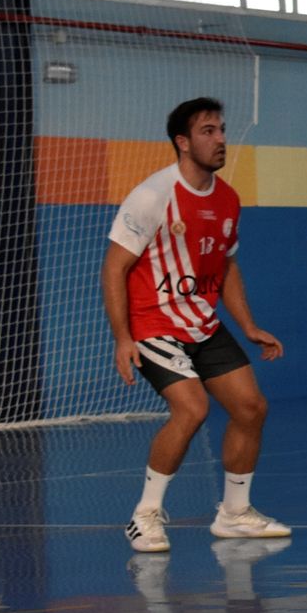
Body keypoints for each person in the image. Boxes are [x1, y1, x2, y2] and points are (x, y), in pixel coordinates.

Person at [105, 97, 291, 553]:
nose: (221, 139)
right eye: (209, 131)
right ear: (183, 142)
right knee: (192, 409)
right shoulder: (153, 196)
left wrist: (248, 326)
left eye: (221, 129)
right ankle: (144, 516)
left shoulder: (228, 199)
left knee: (251, 407)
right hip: (154, 324)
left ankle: (235, 515)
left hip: (202, 324)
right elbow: (114, 268)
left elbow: (227, 266)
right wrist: (123, 338)